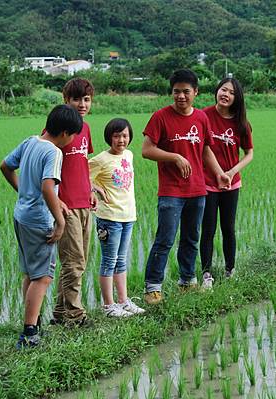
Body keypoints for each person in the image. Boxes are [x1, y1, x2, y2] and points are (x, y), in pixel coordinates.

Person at [141, 68, 230, 305]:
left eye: (186, 92)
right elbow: (146, 150)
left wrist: (219, 174)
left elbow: (206, 149)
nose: (181, 96)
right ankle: (153, 287)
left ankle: (187, 281)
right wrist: (175, 157)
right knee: (165, 239)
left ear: (196, 92)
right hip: (171, 191)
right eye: (176, 92)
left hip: (197, 189)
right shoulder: (160, 117)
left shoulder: (201, 118)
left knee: (191, 238)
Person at [0, 105, 83, 349]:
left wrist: (25, 193)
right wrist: (59, 220)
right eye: (74, 136)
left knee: (30, 273)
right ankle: (29, 333)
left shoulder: (30, 142)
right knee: (43, 277)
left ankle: (32, 323)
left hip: (22, 216)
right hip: (39, 221)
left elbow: (5, 166)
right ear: (66, 133)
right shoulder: (54, 152)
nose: (73, 141)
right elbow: (48, 187)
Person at [51, 78, 97, 327]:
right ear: (66, 100)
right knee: (73, 261)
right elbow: (47, 169)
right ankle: (76, 315)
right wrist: (56, 202)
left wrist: (90, 189)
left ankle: (59, 313)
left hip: (84, 204)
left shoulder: (86, 129)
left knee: (79, 261)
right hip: (66, 205)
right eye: (76, 99)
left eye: (86, 99)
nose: (82, 104)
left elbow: (83, 165)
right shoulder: (58, 129)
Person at [200, 78, 254, 289]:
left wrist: (231, 172)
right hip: (207, 182)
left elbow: (249, 153)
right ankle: (206, 274)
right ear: (217, 91)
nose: (226, 94)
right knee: (208, 228)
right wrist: (219, 173)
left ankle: (230, 269)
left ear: (236, 98)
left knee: (228, 227)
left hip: (231, 183)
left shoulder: (241, 123)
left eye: (231, 92)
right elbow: (202, 148)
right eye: (223, 89)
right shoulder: (203, 116)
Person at [89, 118, 145, 317]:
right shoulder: (101, 159)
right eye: (116, 136)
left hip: (127, 215)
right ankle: (108, 306)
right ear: (109, 137)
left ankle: (123, 301)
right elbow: (80, 174)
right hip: (109, 218)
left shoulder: (128, 155)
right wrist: (94, 188)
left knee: (121, 260)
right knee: (109, 261)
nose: (121, 140)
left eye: (124, 135)